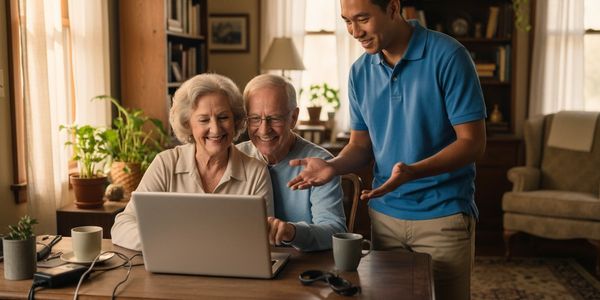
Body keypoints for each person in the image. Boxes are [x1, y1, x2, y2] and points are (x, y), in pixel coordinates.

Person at [288, 0, 487, 299]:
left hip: (443, 217)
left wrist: (413, 172)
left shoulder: (449, 56)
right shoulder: (359, 72)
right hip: (384, 218)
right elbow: (360, 145)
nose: (355, 31)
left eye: (363, 18)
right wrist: (334, 166)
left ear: (393, 8)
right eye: (346, 21)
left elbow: (473, 143)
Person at [112, 73, 274, 251]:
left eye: (223, 117)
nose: (215, 128)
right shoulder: (165, 164)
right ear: (188, 124)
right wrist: (169, 244)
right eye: (204, 119)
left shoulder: (256, 172)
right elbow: (122, 225)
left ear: (235, 121)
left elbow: (261, 239)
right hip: (171, 269)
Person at [236, 74, 347, 252]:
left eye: (275, 118)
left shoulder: (320, 163)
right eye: (255, 118)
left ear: (293, 118)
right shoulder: (234, 157)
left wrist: (293, 232)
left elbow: (335, 232)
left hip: (304, 267)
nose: (264, 130)